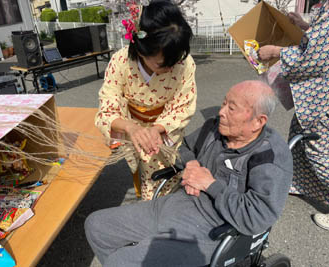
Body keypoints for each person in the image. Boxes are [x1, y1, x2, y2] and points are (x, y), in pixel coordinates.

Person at [85, 80, 293, 266]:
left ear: (258, 121)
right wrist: (191, 164)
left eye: (232, 108)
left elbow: (256, 217)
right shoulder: (214, 127)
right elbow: (184, 146)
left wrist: (210, 184)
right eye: (223, 103)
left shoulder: (270, 157)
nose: (221, 112)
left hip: (210, 230)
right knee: (97, 226)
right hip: (175, 205)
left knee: (121, 261)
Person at [95, 0, 196, 200]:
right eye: (162, 63)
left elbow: (182, 105)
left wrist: (156, 129)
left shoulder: (184, 64)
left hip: (165, 128)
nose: (170, 68)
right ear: (141, 50)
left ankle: (158, 206)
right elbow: (108, 105)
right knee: (138, 166)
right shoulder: (121, 62)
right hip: (131, 124)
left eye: (175, 60)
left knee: (164, 176)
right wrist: (130, 128)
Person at [258, 1, 329, 230]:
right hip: (318, 94)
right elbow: (320, 40)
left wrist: (276, 52)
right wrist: (305, 26)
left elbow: (318, 53)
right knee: (299, 136)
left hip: (323, 95)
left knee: (320, 149)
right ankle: (300, 184)